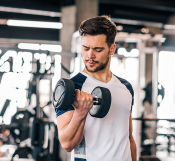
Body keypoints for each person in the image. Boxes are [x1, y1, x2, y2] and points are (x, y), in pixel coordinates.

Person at [55, 16, 137, 161]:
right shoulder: (72, 88)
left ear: (112, 49)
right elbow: (67, 143)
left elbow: (129, 138)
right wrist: (81, 111)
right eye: (85, 48)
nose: (90, 55)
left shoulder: (126, 87)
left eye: (97, 49)